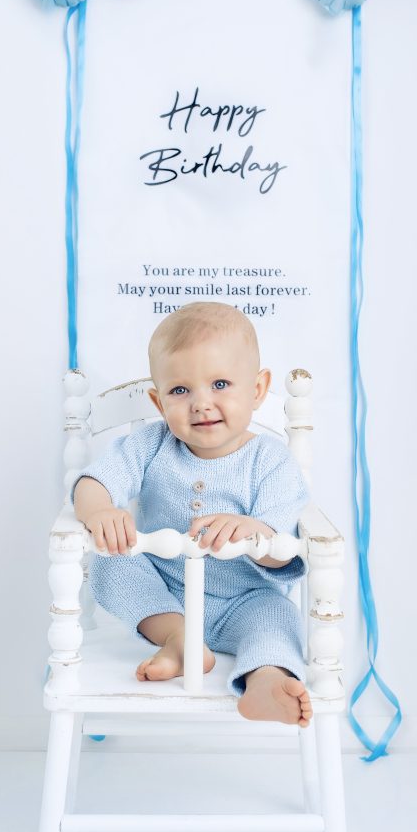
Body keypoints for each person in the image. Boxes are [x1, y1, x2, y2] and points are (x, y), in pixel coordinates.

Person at [73, 302, 312, 726]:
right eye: (180, 391)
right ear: (158, 401)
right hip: (163, 592)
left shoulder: (271, 461)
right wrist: (101, 510)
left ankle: (265, 680)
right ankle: (179, 639)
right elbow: (94, 482)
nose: (201, 403)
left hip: (245, 599)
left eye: (220, 384)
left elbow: (281, 553)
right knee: (111, 562)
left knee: (279, 619)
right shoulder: (150, 446)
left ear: (257, 389)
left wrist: (252, 531)